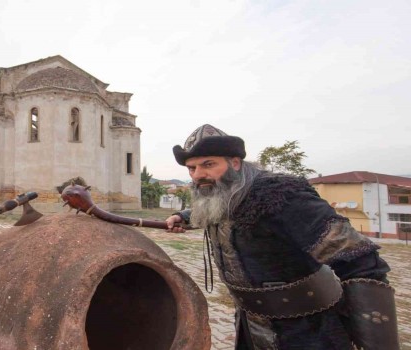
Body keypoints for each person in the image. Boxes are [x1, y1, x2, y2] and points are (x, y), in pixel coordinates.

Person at [165, 124, 399, 349]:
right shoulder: (227, 192)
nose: (198, 175)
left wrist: (376, 343)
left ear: (235, 163)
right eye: (192, 168)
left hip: (310, 330)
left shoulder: (283, 196)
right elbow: (220, 209)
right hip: (252, 323)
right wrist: (183, 216)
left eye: (208, 164)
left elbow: (361, 261)